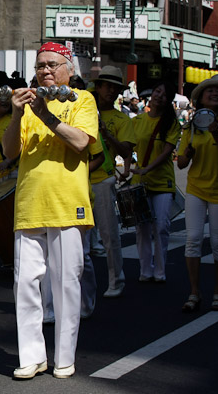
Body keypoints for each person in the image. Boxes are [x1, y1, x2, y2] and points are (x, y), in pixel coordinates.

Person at [2, 42, 97, 380]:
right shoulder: (28, 106)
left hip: (66, 202)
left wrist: (45, 114)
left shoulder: (83, 100)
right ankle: (32, 356)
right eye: (41, 65)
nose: (45, 70)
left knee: (65, 283)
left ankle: (64, 357)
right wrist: (16, 113)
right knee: (24, 283)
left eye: (53, 64)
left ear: (69, 70)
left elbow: (82, 141)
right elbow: (10, 150)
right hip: (29, 203)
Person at [177, 77, 218, 311]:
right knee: (192, 240)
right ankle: (194, 292)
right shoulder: (193, 126)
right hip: (195, 188)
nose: (214, 93)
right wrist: (186, 154)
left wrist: (216, 134)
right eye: (210, 91)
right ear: (202, 99)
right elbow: (182, 163)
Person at [90, 66, 135, 298]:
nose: (111, 91)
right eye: (106, 86)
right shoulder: (83, 109)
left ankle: (116, 280)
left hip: (104, 180)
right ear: (97, 87)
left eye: (115, 88)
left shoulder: (121, 118)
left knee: (109, 235)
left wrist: (107, 135)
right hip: (76, 180)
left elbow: (126, 151)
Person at [130, 81, 180, 283]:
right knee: (142, 228)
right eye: (158, 91)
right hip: (139, 181)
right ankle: (145, 269)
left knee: (161, 226)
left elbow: (168, 151)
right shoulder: (137, 121)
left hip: (162, 182)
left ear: (169, 100)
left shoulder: (171, 123)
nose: (160, 96)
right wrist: (127, 169)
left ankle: (160, 270)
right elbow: (128, 147)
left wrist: (147, 169)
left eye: (165, 94)